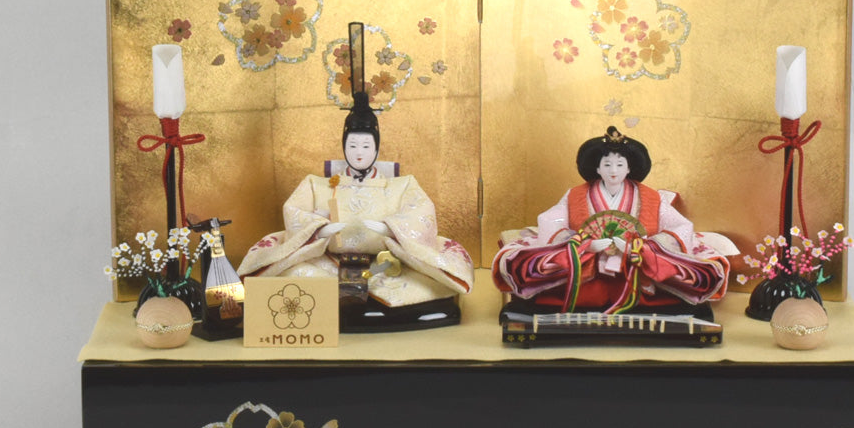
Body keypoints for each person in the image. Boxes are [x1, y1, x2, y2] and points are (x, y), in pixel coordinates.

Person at [238, 88, 473, 311]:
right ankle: (341, 301)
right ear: (343, 146)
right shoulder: (315, 185)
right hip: (327, 263)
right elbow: (294, 212)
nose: (359, 152)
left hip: (386, 263)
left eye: (366, 145)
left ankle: (357, 300)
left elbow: (421, 214)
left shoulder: (403, 185)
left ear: (377, 148)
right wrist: (319, 230)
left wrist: (391, 229)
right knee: (291, 273)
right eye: (352, 145)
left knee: (426, 280)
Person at [492, 126, 734, 314]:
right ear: (597, 169)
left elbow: (682, 226)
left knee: (696, 272)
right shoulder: (575, 195)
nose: (613, 170)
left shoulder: (651, 197)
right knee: (526, 264)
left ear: (629, 169)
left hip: (638, 264)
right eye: (607, 164)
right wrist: (583, 244)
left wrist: (641, 247)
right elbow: (549, 220)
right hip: (586, 263)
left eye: (620, 164)